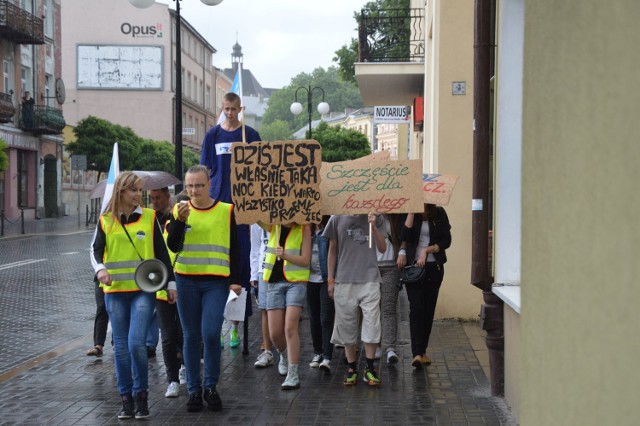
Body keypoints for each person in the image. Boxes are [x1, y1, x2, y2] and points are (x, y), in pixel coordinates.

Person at [90, 171, 177, 420]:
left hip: (143, 291)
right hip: (115, 292)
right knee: (120, 348)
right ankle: (125, 398)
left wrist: (171, 284)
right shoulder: (106, 220)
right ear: (121, 192)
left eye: (140, 190)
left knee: (136, 343)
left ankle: (142, 394)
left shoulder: (149, 218)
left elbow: (161, 253)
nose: (139, 195)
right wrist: (101, 269)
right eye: (134, 190)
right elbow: (95, 252)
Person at [166, 165, 241, 412]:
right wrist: (179, 221)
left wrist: (237, 278)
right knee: (190, 336)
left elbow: (236, 246)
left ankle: (211, 386)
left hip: (215, 281)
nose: (194, 190)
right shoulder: (179, 210)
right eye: (189, 186)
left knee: (210, 333)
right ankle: (194, 391)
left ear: (209, 185)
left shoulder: (226, 210)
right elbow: (173, 246)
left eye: (199, 185)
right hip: (187, 280)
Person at [200, 92, 261, 348]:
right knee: (218, 262)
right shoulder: (213, 135)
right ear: (222, 108)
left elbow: (261, 170)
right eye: (226, 109)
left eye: (234, 109)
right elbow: (205, 170)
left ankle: (236, 324)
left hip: (244, 209)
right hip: (218, 206)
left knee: (241, 265)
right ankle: (217, 321)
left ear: (240, 108)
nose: (230, 113)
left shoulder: (251, 135)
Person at [322, 213, 386, 386]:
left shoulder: (376, 217)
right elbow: (332, 249)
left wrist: (373, 226)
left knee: (372, 323)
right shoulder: (336, 218)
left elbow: (382, 248)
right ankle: (352, 368)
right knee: (346, 324)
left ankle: (370, 368)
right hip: (344, 279)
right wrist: (330, 279)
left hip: (370, 279)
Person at [398, 203, 452, 368]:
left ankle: (422, 351)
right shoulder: (410, 212)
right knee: (416, 309)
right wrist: (411, 213)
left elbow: (446, 241)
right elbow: (403, 237)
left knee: (428, 310)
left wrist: (427, 250)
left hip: (433, 268)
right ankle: (416, 353)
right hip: (413, 269)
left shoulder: (439, 213)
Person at [263, 222, 311, 390]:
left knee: (290, 327)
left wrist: (285, 256)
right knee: (275, 332)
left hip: (295, 282)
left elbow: (305, 260)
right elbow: (253, 215)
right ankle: (283, 355)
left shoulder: (304, 228)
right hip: (274, 282)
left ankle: (293, 372)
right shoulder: (273, 225)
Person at [149, 187, 184, 398]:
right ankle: (172, 379)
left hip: (182, 284)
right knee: (168, 336)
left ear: (167, 198)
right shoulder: (150, 220)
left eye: (158, 198)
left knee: (183, 333)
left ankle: (185, 367)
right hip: (162, 286)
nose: (155, 202)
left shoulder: (175, 218)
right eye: (152, 198)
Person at [376, 214, 406, 365]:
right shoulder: (367, 217)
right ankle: (374, 343)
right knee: (372, 309)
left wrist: (402, 251)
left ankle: (390, 348)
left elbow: (404, 236)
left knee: (388, 308)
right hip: (370, 268)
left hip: (390, 267)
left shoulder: (395, 218)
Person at [306, 216, 334, 372]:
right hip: (309, 279)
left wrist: (332, 279)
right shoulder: (306, 230)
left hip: (325, 278)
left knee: (326, 317)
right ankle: (318, 352)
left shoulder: (329, 228)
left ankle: (327, 355)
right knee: (313, 317)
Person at [250, 223, 273, 368]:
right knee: (264, 310)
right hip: (263, 269)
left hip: (284, 267)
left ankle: (284, 351)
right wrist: (254, 274)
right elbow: (255, 248)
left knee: (283, 312)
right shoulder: (255, 221)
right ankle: (267, 350)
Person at [86, 274, 109, 357]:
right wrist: (100, 269)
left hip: (120, 281)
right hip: (101, 279)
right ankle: (98, 346)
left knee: (118, 311)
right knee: (102, 307)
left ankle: (117, 343)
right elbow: (95, 260)